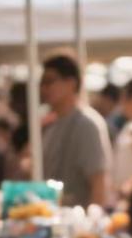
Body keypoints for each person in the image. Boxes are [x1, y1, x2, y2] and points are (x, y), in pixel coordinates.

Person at [39, 53, 113, 209]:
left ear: (71, 83)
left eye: (49, 81)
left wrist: (89, 226)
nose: (43, 88)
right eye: (42, 82)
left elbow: (99, 183)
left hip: (77, 224)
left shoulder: (87, 124)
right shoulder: (52, 125)